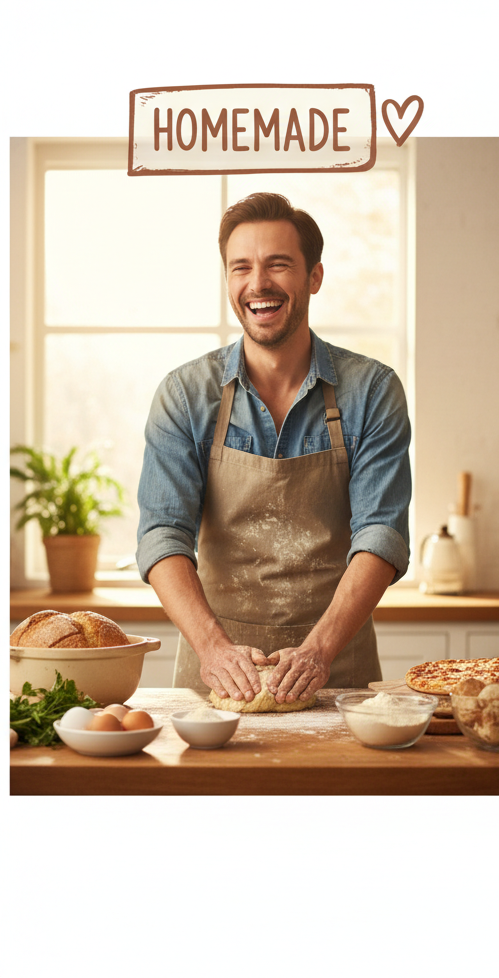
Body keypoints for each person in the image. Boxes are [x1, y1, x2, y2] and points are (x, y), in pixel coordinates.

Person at [136, 192, 411, 705]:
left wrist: (318, 651)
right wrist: (214, 649)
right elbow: (162, 534)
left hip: (335, 670)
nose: (258, 283)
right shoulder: (184, 394)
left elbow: (383, 532)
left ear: (314, 277)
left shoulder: (373, 391)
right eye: (241, 267)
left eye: (278, 265)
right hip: (214, 672)